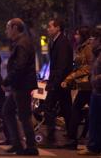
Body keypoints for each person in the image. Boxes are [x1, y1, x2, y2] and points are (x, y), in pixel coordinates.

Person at [1, 18, 39, 156]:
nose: (6, 31)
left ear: (15, 28)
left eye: (8, 28)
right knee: (8, 111)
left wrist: (6, 81)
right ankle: (17, 143)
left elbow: (19, 67)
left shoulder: (22, 43)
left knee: (24, 115)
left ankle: (31, 146)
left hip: (21, 85)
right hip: (19, 84)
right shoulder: (21, 42)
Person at [41, 18, 73, 147]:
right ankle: (71, 138)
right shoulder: (56, 41)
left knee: (49, 107)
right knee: (67, 110)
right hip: (59, 82)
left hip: (60, 83)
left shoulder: (62, 43)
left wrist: (54, 83)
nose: (48, 29)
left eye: (50, 26)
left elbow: (62, 65)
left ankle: (51, 138)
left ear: (58, 28)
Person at [61, 26, 93, 149]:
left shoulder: (88, 47)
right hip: (86, 86)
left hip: (89, 85)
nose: (75, 36)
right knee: (80, 110)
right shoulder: (82, 47)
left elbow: (89, 67)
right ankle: (74, 138)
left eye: (77, 34)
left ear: (83, 35)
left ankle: (73, 139)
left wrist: (71, 77)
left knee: (77, 110)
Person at [78, 28, 101, 155]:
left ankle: (94, 146)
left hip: (99, 90)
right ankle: (93, 146)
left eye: (93, 39)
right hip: (95, 90)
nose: (91, 42)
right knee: (94, 120)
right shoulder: (96, 53)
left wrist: (96, 79)